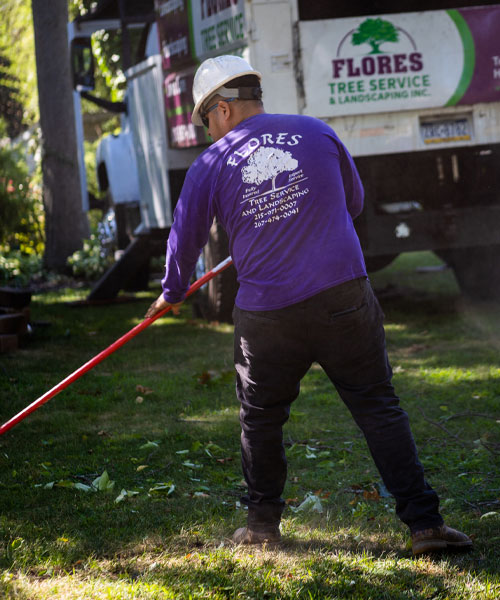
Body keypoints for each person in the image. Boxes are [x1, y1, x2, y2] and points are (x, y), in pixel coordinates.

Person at [145, 55, 472, 555]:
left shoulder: (210, 164)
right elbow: (354, 201)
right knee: (378, 406)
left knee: (261, 417)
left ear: (223, 109)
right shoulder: (316, 132)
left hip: (267, 315)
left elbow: (184, 241)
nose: (207, 131)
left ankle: (262, 529)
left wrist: (170, 292)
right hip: (343, 296)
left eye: (205, 119)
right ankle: (425, 526)